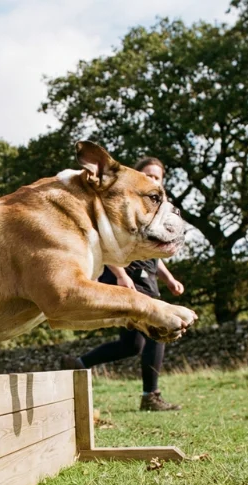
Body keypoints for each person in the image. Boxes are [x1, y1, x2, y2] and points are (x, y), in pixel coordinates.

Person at [61, 156, 186, 411]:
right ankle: (151, 396)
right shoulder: (125, 204)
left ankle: (79, 363)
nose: (152, 179)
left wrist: (170, 279)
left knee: (132, 345)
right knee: (159, 329)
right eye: (147, 175)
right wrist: (120, 275)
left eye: (157, 177)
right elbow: (107, 242)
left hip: (147, 279)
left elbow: (154, 257)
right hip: (129, 277)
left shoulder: (156, 212)